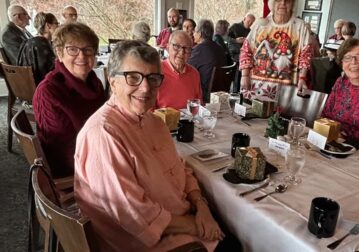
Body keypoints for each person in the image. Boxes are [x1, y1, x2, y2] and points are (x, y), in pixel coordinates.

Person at [74, 40, 223, 251]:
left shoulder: (153, 121)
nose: (145, 88)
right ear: (113, 82)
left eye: (153, 78)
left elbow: (180, 168)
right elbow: (133, 214)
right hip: (142, 242)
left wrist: (201, 206)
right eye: (133, 77)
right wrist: (195, 224)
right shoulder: (103, 133)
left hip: (179, 216)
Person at [33, 22, 107, 178]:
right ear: (60, 53)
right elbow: (62, 152)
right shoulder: (48, 92)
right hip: (73, 173)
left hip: (99, 153)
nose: (82, 56)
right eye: (72, 49)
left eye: (88, 50)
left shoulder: (95, 83)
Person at [239, 0, 313, 101]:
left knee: (279, 118)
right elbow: (246, 50)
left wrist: (302, 78)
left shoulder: (300, 26)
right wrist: (244, 75)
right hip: (255, 85)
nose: (283, 3)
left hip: (287, 88)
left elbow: (306, 54)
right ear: (272, 3)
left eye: (287, 0)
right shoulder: (260, 24)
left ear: (292, 4)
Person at [156, 30, 202, 110]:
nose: (181, 52)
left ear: (190, 53)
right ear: (167, 47)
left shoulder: (194, 74)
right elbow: (148, 110)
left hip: (188, 121)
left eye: (187, 49)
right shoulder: (156, 71)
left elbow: (198, 105)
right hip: (162, 121)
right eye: (176, 46)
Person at [189, 19, 227, 102]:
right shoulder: (220, 48)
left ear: (200, 34)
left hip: (204, 93)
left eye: (195, 31)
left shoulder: (198, 50)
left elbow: (186, 68)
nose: (193, 34)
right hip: (221, 93)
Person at [16, 12, 58, 84]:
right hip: (42, 88)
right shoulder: (42, 44)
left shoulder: (29, 42)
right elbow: (53, 70)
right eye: (56, 23)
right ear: (48, 25)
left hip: (27, 86)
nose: (58, 26)